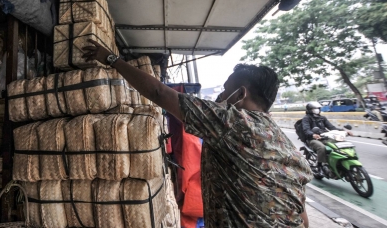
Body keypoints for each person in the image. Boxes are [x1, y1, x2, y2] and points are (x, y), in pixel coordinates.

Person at [82, 40, 312, 228]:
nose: (220, 96)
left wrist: (111, 59)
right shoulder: (284, 144)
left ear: (240, 94)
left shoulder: (234, 122)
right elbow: (301, 213)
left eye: (225, 89)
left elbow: (158, 92)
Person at [301, 102, 353, 172]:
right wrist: (313, 134)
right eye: (315, 109)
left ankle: (338, 162)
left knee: (340, 144)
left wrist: (344, 131)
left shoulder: (322, 118)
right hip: (312, 138)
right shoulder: (306, 118)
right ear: (310, 110)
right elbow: (306, 130)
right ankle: (320, 166)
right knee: (321, 148)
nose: (317, 110)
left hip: (325, 136)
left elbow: (332, 127)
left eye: (318, 108)